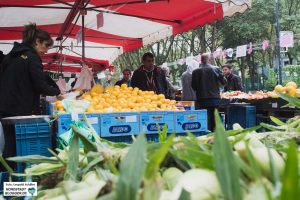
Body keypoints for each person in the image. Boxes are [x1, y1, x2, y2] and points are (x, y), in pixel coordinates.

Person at [0, 23, 61, 118]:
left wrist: (53, 85)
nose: (46, 51)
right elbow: (40, 86)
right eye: (46, 45)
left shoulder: (12, 55)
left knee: (8, 133)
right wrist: (57, 92)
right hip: (21, 111)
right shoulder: (32, 58)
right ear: (37, 41)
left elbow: (38, 75)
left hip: (5, 108)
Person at [192, 53, 227, 132]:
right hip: (214, 98)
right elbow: (224, 82)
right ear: (208, 59)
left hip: (201, 98)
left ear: (201, 60)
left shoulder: (195, 71)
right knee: (214, 117)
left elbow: (193, 86)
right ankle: (215, 135)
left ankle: (205, 134)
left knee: (203, 118)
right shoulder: (216, 69)